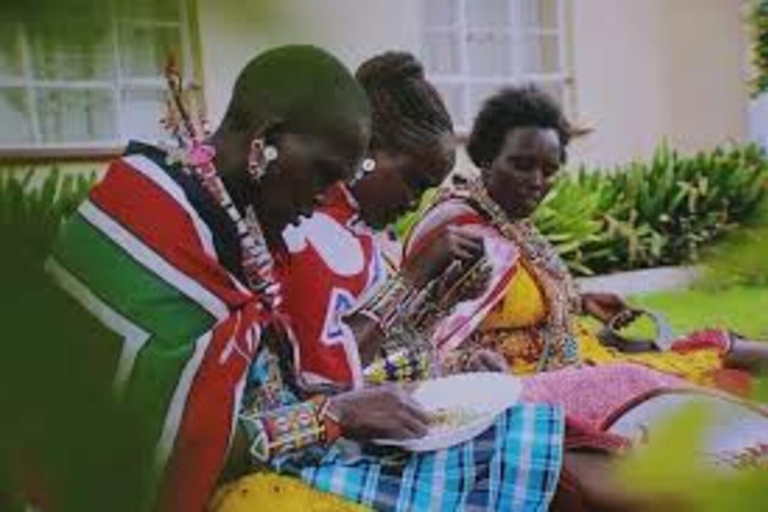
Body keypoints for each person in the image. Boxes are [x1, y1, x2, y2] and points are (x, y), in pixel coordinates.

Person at [42, 45, 373, 512]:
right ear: (266, 140)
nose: (329, 196)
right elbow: (170, 450)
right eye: (325, 172)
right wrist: (331, 417)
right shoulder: (154, 215)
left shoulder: (228, 218)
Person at [404, 85, 768, 395]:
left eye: (548, 171)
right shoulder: (459, 226)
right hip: (528, 389)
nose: (536, 181)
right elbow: (409, 340)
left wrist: (580, 302)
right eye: (521, 164)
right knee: (696, 373)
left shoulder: (508, 220)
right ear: (486, 157)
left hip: (574, 365)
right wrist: (469, 363)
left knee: (724, 353)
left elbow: (513, 300)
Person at [277, 51, 475, 391]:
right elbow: (328, 376)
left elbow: (382, 348)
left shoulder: (358, 231)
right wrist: (414, 275)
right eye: (413, 180)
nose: (414, 202)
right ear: (367, 151)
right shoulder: (309, 228)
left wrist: (458, 354)